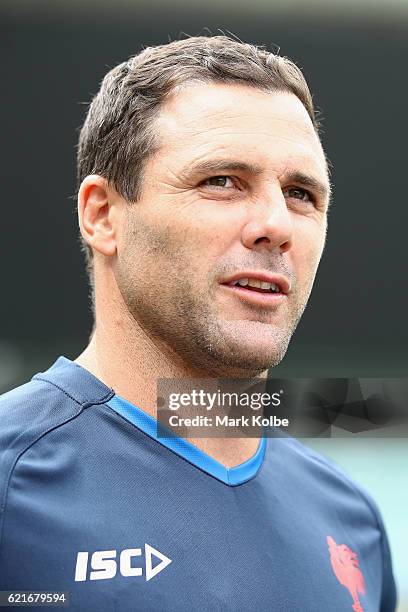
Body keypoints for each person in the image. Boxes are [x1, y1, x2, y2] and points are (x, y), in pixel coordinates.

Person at [0, 35, 396, 611]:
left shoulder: (351, 520)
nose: (275, 224)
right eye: (222, 181)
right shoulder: (13, 481)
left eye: (301, 193)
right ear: (103, 215)